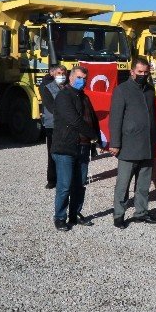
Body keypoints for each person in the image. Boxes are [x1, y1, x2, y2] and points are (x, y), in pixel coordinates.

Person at [108, 58, 156, 229]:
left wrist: (155, 139)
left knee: (144, 184)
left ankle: (141, 213)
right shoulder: (122, 90)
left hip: (147, 144)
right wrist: (115, 143)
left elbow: (154, 117)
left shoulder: (150, 90)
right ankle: (119, 215)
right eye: (140, 72)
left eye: (146, 72)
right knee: (123, 184)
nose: (143, 75)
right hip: (129, 145)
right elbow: (115, 119)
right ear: (132, 72)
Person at [51, 65, 98, 231]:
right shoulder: (64, 96)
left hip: (83, 147)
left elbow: (93, 119)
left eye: (84, 78)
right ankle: (60, 217)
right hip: (65, 147)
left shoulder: (84, 97)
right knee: (65, 185)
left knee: (80, 184)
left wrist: (97, 139)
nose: (82, 81)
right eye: (79, 78)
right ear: (70, 78)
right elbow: (74, 121)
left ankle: (75, 213)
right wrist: (92, 134)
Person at [40, 65, 67, 189]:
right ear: (53, 74)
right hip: (53, 124)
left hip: (67, 124)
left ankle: (65, 177)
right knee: (52, 152)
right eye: (59, 73)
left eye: (63, 73)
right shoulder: (47, 87)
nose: (61, 75)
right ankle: (52, 179)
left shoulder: (68, 87)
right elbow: (50, 106)